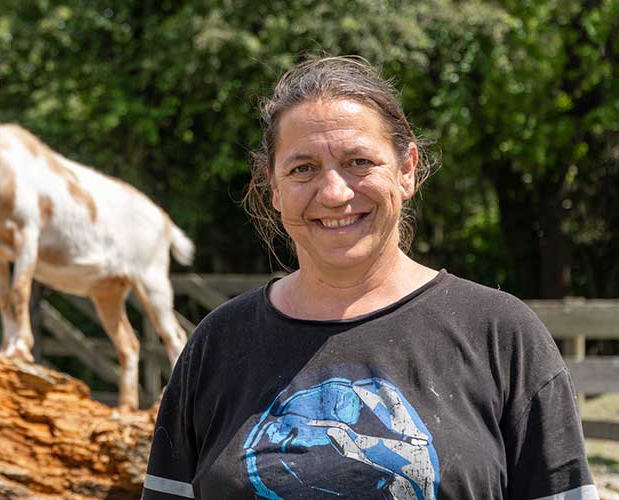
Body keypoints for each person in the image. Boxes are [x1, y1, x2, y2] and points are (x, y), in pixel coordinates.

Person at [142, 56, 598, 500]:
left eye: (359, 162)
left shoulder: (500, 335)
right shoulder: (218, 345)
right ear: (273, 188)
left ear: (406, 170)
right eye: (303, 169)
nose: (335, 193)